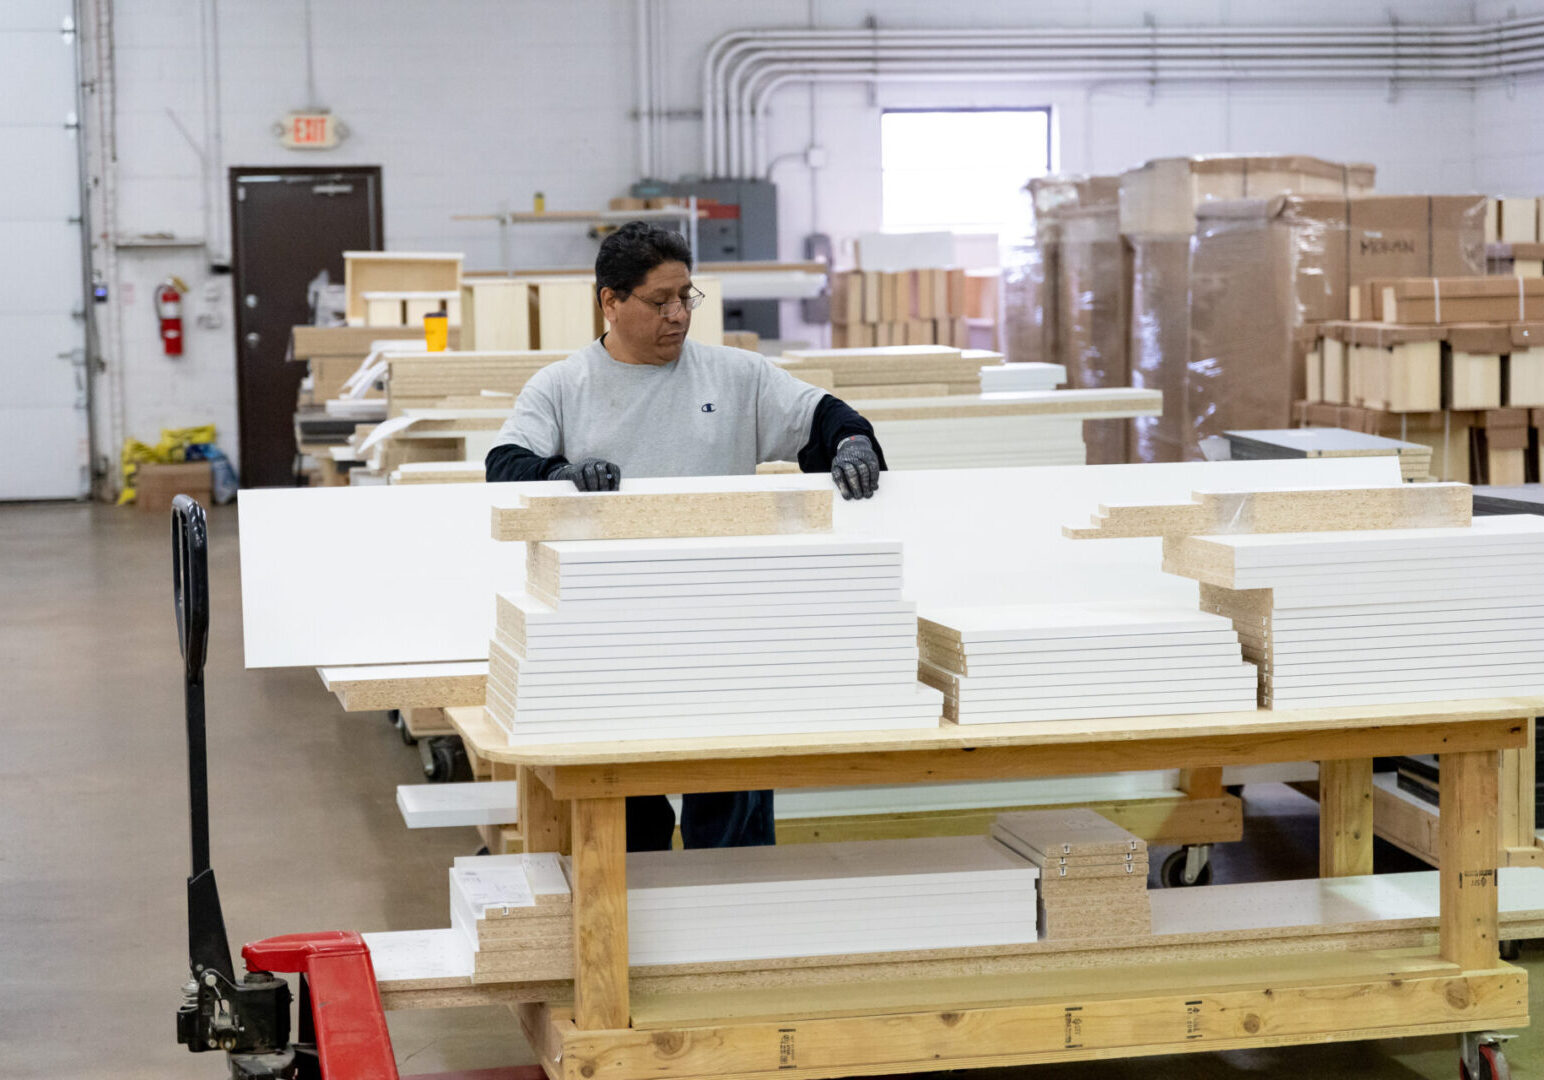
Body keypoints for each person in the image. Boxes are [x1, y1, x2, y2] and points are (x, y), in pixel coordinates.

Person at [485, 220, 886, 852]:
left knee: (732, 814)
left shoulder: (735, 377)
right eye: (659, 301)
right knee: (626, 825)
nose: (678, 315)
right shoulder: (563, 387)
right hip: (609, 636)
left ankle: (735, 937)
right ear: (610, 301)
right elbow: (503, 467)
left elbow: (824, 416)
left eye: (686, 297)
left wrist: (854, 441)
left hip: (726, 628)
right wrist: (559, 475)